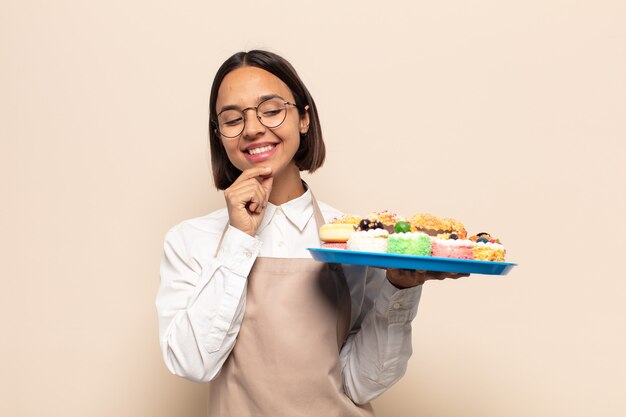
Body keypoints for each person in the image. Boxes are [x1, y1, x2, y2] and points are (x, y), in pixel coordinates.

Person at [156, 49, 465, 416]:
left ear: (303, 118)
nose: (253, 128)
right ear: (220, 135)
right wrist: (239, 240)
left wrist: (400, 289)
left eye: (271, 110)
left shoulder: (352, 240)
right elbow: (192, 364)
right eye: (232, 119)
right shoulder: (190, 240)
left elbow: (359, 383)